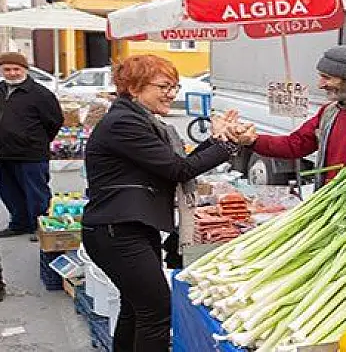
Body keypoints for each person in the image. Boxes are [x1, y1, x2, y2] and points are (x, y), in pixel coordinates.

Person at [80, 54, 240, 352]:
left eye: (175, 87)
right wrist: (226, 145)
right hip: (117, 229)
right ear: (134, 87)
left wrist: (218, 140)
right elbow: (179, 170)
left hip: (129, 227)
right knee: (156, 312)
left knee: (135, 308)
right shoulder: (124, 122)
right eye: (164, 86)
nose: (171, 93)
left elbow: (177, 163)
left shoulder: (140, 119)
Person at [237, 45, 346, 187]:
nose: (321, 85)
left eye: (327, 78)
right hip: (330, 208)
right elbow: (294, 145)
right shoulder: (329, 112)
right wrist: (252, 141)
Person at [0, 52, 63, 242]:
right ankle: (20, 223)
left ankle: (41, 226)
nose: (12, 73)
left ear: (25, 70)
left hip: (31, 152)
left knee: (37, 192)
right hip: (2, 152)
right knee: (8, 192)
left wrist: (36, 140)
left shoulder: (40, 94)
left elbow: (54, 121)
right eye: (7, 69)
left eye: (16, 69)